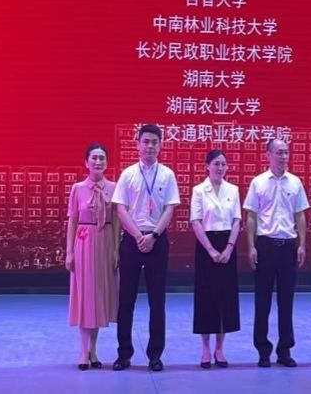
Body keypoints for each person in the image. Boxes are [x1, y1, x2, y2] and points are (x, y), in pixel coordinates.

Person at [111, 124, 180, 372]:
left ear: (160, 145)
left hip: (157, 240)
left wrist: (153, 235)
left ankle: (155, 355)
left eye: (154, 142)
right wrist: (139, 235)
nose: (150, 146)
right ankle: (124, 354)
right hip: (132, 240)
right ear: (137, 144)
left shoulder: (167, 175)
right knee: (126, 300)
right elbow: (120, 209)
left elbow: (170, 209)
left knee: (157, 301)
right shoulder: (128, 174)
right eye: (146, 142)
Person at [243, 137, 310, 368]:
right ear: (268, 155)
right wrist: (251, 246)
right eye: (279, 152)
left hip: (288, 246)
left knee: (286, 301)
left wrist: (302, 244)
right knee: (262, 301)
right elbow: (251, 217)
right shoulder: (258, 182)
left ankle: (284, 350)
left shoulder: (295, 183)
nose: (283, 156)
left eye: (286, 152)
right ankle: (263, 351)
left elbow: (300, 215)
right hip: (265, 245)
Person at [65, 142, 118, 370]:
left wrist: (116, 249)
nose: (98, 162)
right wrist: (69, 251)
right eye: (94, 158)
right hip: (84, 243)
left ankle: (94, 350)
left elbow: (116, 221)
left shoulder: (114, 188)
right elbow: (72, 221)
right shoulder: (77, 188)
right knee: (85, 296)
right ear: (86, 162)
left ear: (107, 162)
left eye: (102, 158)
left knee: (98, 297)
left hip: (105, 243)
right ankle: (83, 351)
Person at [189, 149, 242, 368]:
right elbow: (195, 221)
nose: (220, 168)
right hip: (206, 246)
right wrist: (211, 250)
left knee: (225, 298)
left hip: (227, 245)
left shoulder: (233, 189)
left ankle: (220, 348)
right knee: (206, 298)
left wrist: (229, 248)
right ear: (207, 166)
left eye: (223, 164)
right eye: (216, 164)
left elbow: (237, 220)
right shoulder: (199, 190)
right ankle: (205, 348)